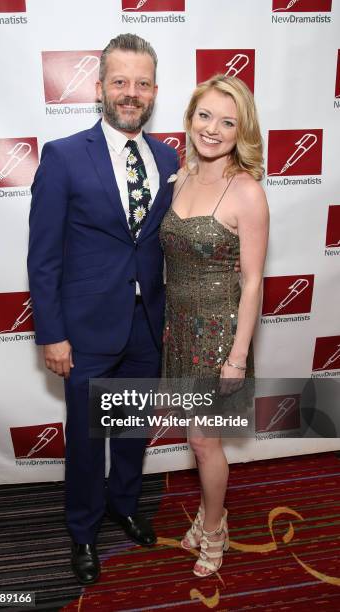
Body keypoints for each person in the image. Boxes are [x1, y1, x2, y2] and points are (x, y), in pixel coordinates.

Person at [27, 33, 179, 585]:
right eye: (120, 82)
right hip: (85, 331)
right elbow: (42, 257)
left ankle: (125, 505)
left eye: (141, 84)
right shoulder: (63, 157)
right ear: (100, 88)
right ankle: (84, 531)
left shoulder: (167, 158)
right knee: (89, 442)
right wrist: (52, 333)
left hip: (147, 325)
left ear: (155, 91)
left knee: (134, 431)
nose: (130, 93)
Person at [160, 74, 269, 577]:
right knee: (194, 437)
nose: (213, 128)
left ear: (241, 132)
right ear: (190, 119)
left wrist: (237, 357)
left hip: (220, 335)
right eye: (205, 115)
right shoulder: (180, 178)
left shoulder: (246, 192)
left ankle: (216, 529)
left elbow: (252, 283)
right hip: (179, 329)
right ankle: (209, 514)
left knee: (205, 440)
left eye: (228, 121)